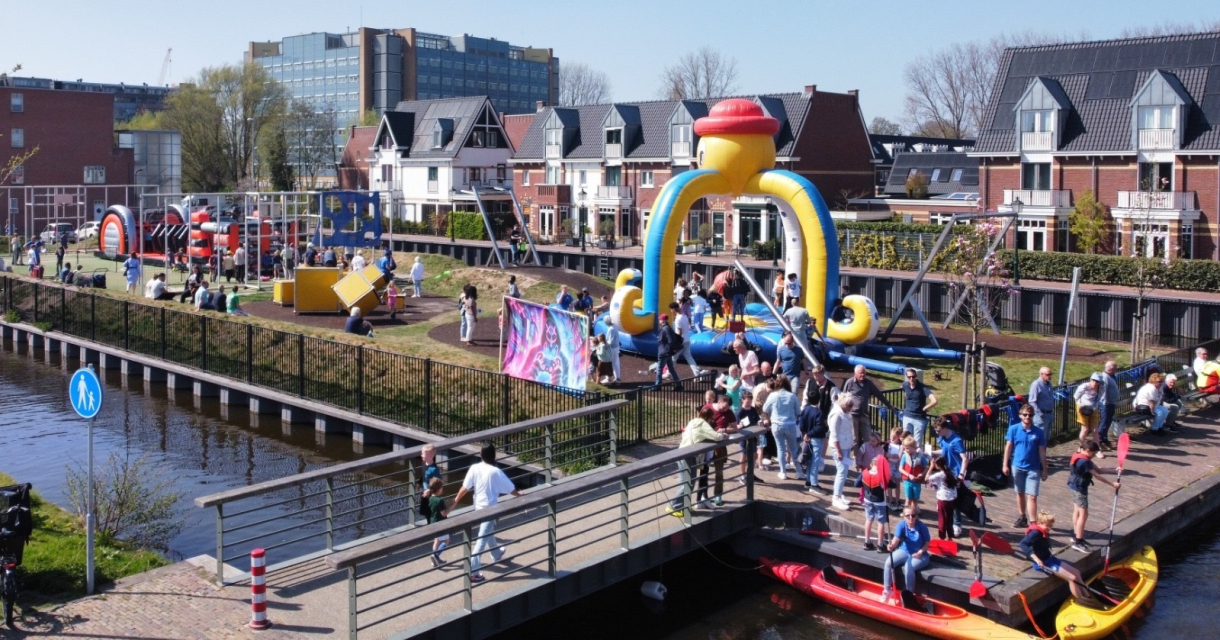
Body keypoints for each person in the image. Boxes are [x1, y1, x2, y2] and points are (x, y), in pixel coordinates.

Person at [453, 443, 523, 583]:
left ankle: (496, 553)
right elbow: (510, 489)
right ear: (493, 456)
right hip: (490, 510)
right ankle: (473, 571)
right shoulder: (495, 472)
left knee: (487, 532)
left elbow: (465, 487)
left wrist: (454, 502)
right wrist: (519, 495)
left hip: (478, 508)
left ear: (481, 455)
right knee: (481, 539)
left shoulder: (474, 468)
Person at [1020, 511, 1094, 603]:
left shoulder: (1042, 531)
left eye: (1050, 526)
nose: (1049, 528)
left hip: (1050, 559)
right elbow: (1023, 544)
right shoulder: (1035, 533)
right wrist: (1036, 559)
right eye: (1047, 526)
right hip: (1043, 564)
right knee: (1072, 579)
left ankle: (1087, 597)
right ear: (1039, 523)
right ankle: (1082, 601)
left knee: (1077, 573)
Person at [668, 407, 726, 517]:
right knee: (689, 482)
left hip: (681, 452)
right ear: (709, 417)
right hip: (689, 455)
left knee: (684, 481)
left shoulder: (692, 421)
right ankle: (673, 506)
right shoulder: (704, 424)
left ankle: (684, 505)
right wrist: (724, 435)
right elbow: (716, 436)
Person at [1067, 441, 1120, 552]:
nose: (1094, 456)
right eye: (1093, 454)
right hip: (1079, 489)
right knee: (1084, 514)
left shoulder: (1079, 455)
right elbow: (1097, 475)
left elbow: (1099, 469)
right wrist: (1112, 484)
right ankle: (1079, 541)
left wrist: (1115, 470)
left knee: (1076, 511)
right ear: (1087, 451)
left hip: (1073, 486)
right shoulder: (1084, 462)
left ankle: (1076, 535)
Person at [1003, 404, 1047, 529]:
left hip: (1033, 468)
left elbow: (1042, 452)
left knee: (1032, 496)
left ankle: (1033, 523)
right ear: (1020, 416)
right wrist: (1005, 464)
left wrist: (1045, 469)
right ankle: (1022, 517)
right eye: (1025, 415)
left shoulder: (1038, 432)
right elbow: (1008, 447)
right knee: (1020, 493)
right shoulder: (1013, 429)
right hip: (1017, 466)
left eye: (1030, 415)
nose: (1028, 417)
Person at [881, 508, 932, 603]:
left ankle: (909, 596)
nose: (911, 518)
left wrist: (920, 552)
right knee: (888, 562)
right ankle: (887, 591)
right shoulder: (901, 525)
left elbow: (927, 543)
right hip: (904, 551)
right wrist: (892, 545)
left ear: (916, 516)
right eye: (908, 516)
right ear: (904, 516)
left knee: (909, 567)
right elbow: (896, 538)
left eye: (913, 515)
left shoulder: (922, 527)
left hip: (921, 555)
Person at [842, 365, 898, 451]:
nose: (863, 375)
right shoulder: (850, 383)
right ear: (855, 373)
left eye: (864, 373)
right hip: (853, 415)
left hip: (864, 414)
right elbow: (843, 397)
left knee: (868, 438)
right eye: (861, 373)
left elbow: (878, 394)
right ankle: (858, 460)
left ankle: (869, 459)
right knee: (855, 439)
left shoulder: (868, 383)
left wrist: (889, 405)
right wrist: (843, 412)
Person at [698, 395, 739, 507]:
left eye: (727, 408)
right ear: (719, 402)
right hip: (706, 444)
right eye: (724, 407)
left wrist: (725, 429)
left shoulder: (729, 413)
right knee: (703, 472)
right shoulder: (707, 408)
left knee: (719, 471)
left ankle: (718, 495)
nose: (725, 410)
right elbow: (698, 423)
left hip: (719, 446)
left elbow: (735, 428)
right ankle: (702, 496)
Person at [932, 420, 969, 536]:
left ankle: (957, 524)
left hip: (955, 473)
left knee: (954, 500)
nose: (937, 433)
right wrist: (933, 452)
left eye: (938, 430)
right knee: (946, 498)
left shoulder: (956, 441)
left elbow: (965, 458)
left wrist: (961, 475)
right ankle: (950, 522)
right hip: (946, 472)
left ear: (945, 428)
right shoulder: (942, 438)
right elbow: (944, 450)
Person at [762, 374, 800, 481]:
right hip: (790, 424)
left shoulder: (773, 395)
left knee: (780, 448)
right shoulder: (792, 396)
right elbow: (798, 411)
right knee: (793, 448)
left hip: (777, 424)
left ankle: (783, 472)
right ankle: (799, 471)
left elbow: (765, 408)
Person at [828, 395, 856, 511]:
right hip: (839, 447)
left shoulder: (845, 413)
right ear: (844, 404)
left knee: (844, 472)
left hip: (846, 445)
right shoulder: (836, 415)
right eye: (849, 405)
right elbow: (834, 435)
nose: (851, 407)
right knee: (841, 471)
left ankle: (839, 493)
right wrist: (838, 451)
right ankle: (836, 497)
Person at [799, 386, 828, 495]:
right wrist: (810, 434)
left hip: (807, 438)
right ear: (819, 399)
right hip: (815, 439)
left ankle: (808, 481)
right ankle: (814, 484)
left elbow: (801, 422)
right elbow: (819, 427)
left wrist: (804, 433)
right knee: (815, 462)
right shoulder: (819, 413)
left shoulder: (805, 409)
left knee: (809, 461)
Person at [860, 449, 891, 552]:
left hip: (868, 500)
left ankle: (867, 542)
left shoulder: (865, 473)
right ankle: (880, 545)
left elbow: (857, 484)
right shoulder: (882, 477)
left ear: (871, 464)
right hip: (880, 502)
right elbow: (892, 485)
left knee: (869, 519)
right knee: (881, 522)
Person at [735, 390, 767, 483]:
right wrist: (739, 426)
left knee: (754, 455)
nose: (749, 403)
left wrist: (760, 423)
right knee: (744, 455)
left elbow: (757, 420)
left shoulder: (753, 410)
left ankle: (750, 473)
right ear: (742, 400)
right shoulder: (740, 412)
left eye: (750, 401)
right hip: (744, 437)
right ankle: (742, 475)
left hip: (753, 436)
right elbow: (736, 426)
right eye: (747, 402)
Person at [900, 368, 938, 447]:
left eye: (913, 376)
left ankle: (916, 459)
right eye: (909, 377)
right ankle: (906, 459)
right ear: (907, 377)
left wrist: (926, 407)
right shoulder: (905, 385)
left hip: (919, 419)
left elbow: (934, 400)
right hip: (907, 417)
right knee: (905, 442)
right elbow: (906, 394)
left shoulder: (922, 388)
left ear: (916, 376)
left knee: (916, 445)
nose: (911, 379)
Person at [420, 477, 452, 568]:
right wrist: (451, 506)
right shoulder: (440, 501)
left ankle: (435, 561)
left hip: (433, 523)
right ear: (438, 489)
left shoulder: (430, 498)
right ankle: (435, 555)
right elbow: (444, 513)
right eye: (442, 487)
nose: (443, 489)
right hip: (441, 523)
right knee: (446, 540)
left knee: (437, 540)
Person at [925, 456, 959, 540]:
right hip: (952, 499)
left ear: (937, 465)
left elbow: (926, 478)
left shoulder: (940, 475)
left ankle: (942, 537)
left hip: (943, 499)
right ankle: (950, 536)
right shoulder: (951, 473)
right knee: (950, 518)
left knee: (942, 518)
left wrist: (931, 467)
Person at [668, 302, 703, 377]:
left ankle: (669, 373)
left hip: (681, 341)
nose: (671, 311)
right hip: (687, 340)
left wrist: (675, 342)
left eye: (671, 309)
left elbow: (679, 332)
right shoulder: (684, 316)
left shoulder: (678, 319)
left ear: (673, 309)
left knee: (673, 357)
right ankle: (697, 373)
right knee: (689, 357)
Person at [1074, 373, 1104, 454]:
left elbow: (1098, 399)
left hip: (1093, 408)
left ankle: (1097, 450)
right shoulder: (1084, 387)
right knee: (1085, 429)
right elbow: (1076, 396)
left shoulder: (1101, 389)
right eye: (1093, 380)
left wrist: (1093, 408)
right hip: (1082, 408)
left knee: (1095, 430)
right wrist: (1081, 406)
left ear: (1100, 383)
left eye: (1097, 381)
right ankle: (1080, 447)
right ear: (1090, 380)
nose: (1094, 383)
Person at [1134, 369, 1170, 435]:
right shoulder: (1151, 388)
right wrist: (1152, 412)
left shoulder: (1160, 387)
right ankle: (1154, 429)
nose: (1161, 383)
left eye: (1162, 381)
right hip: (1144, 406)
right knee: (1159, 413)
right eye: (1159, 382)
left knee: (1165, 410)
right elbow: (1151, 402)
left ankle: (1160, 427)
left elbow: (1160, 397)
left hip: (1155, 405)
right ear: (1153, 382)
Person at [898, 435, 928, 512]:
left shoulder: (920, 456)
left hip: (917, 481)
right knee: (908, 498)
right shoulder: (905, 456)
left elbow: (926, 467)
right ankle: (906, 513)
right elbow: (900, 469)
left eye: (907, 448)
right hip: (907, 481)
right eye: (905, 448)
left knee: (915, 499)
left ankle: (914, 513)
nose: (906, 450)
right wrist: (909, 475)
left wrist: (922, 474)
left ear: (913, 447)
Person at [655, 314, 682, 390]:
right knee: (671, 368)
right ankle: (678, 384)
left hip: (664, 352)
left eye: (660, 319)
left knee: (659, 369)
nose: (659, 321)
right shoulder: (669, 328)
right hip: (668, 352)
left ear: (663, 320)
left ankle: (658, 385)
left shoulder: (664, 329)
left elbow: (670, 340)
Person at [1099, 360, 1120, 451]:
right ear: (1111, 368)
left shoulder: (1111, 377)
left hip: (1111, 403)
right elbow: (1104, 391)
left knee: (1108, 423)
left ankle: (1105, 439)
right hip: (1106, 404)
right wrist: (1105, 403)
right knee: (1104, 423)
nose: (1116, 369)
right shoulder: (1105, 377)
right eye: (1115, 368)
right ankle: (1099, 441)